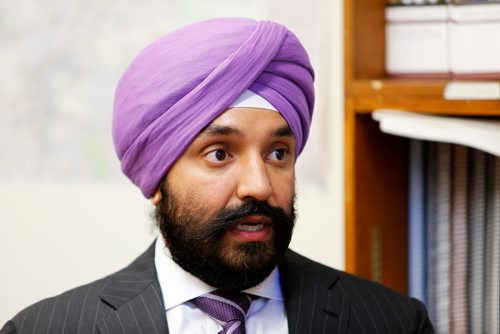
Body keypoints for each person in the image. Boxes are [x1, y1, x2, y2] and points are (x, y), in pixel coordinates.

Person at [1, 18, 433, 334]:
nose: (260, 185)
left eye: (278, 153)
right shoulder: (45, 328)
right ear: (157, 180)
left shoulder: (393, 322)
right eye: (220, 153)